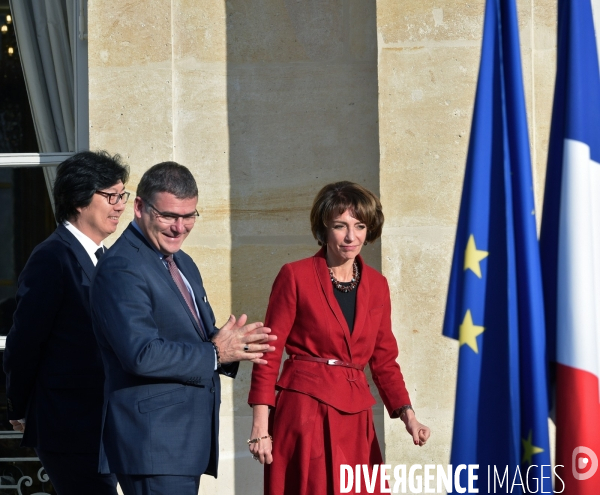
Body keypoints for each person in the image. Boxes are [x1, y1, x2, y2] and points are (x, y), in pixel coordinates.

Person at [90, 161, 276, 495]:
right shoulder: (122, 267)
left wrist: (236, 346)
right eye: (169, 216)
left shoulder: (182, 262)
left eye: (189, 216)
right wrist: (217, 352)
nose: (180, 227)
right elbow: (141, 355)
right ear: (140, 208)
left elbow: (197, 339)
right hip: (153, 446)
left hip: (182, 444)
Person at [248, 181, 431, 494]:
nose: (351, 236)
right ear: (324, 228)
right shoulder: (295, 275)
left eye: (360, 226)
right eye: (340, 226)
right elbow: (269, 354)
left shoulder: (378, 285)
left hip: (355, 415)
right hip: (304, 411)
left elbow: (384, 359)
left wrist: (408, 416)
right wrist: (260, 427)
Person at [3, 150, 130, 495]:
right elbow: (25, 339)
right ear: (78, 199)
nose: (120, 205)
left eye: (123, 195)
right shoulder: (52, 256)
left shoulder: (105, 257)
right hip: (68, 423)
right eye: (111, 196)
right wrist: (18, 403)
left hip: (103, 422)